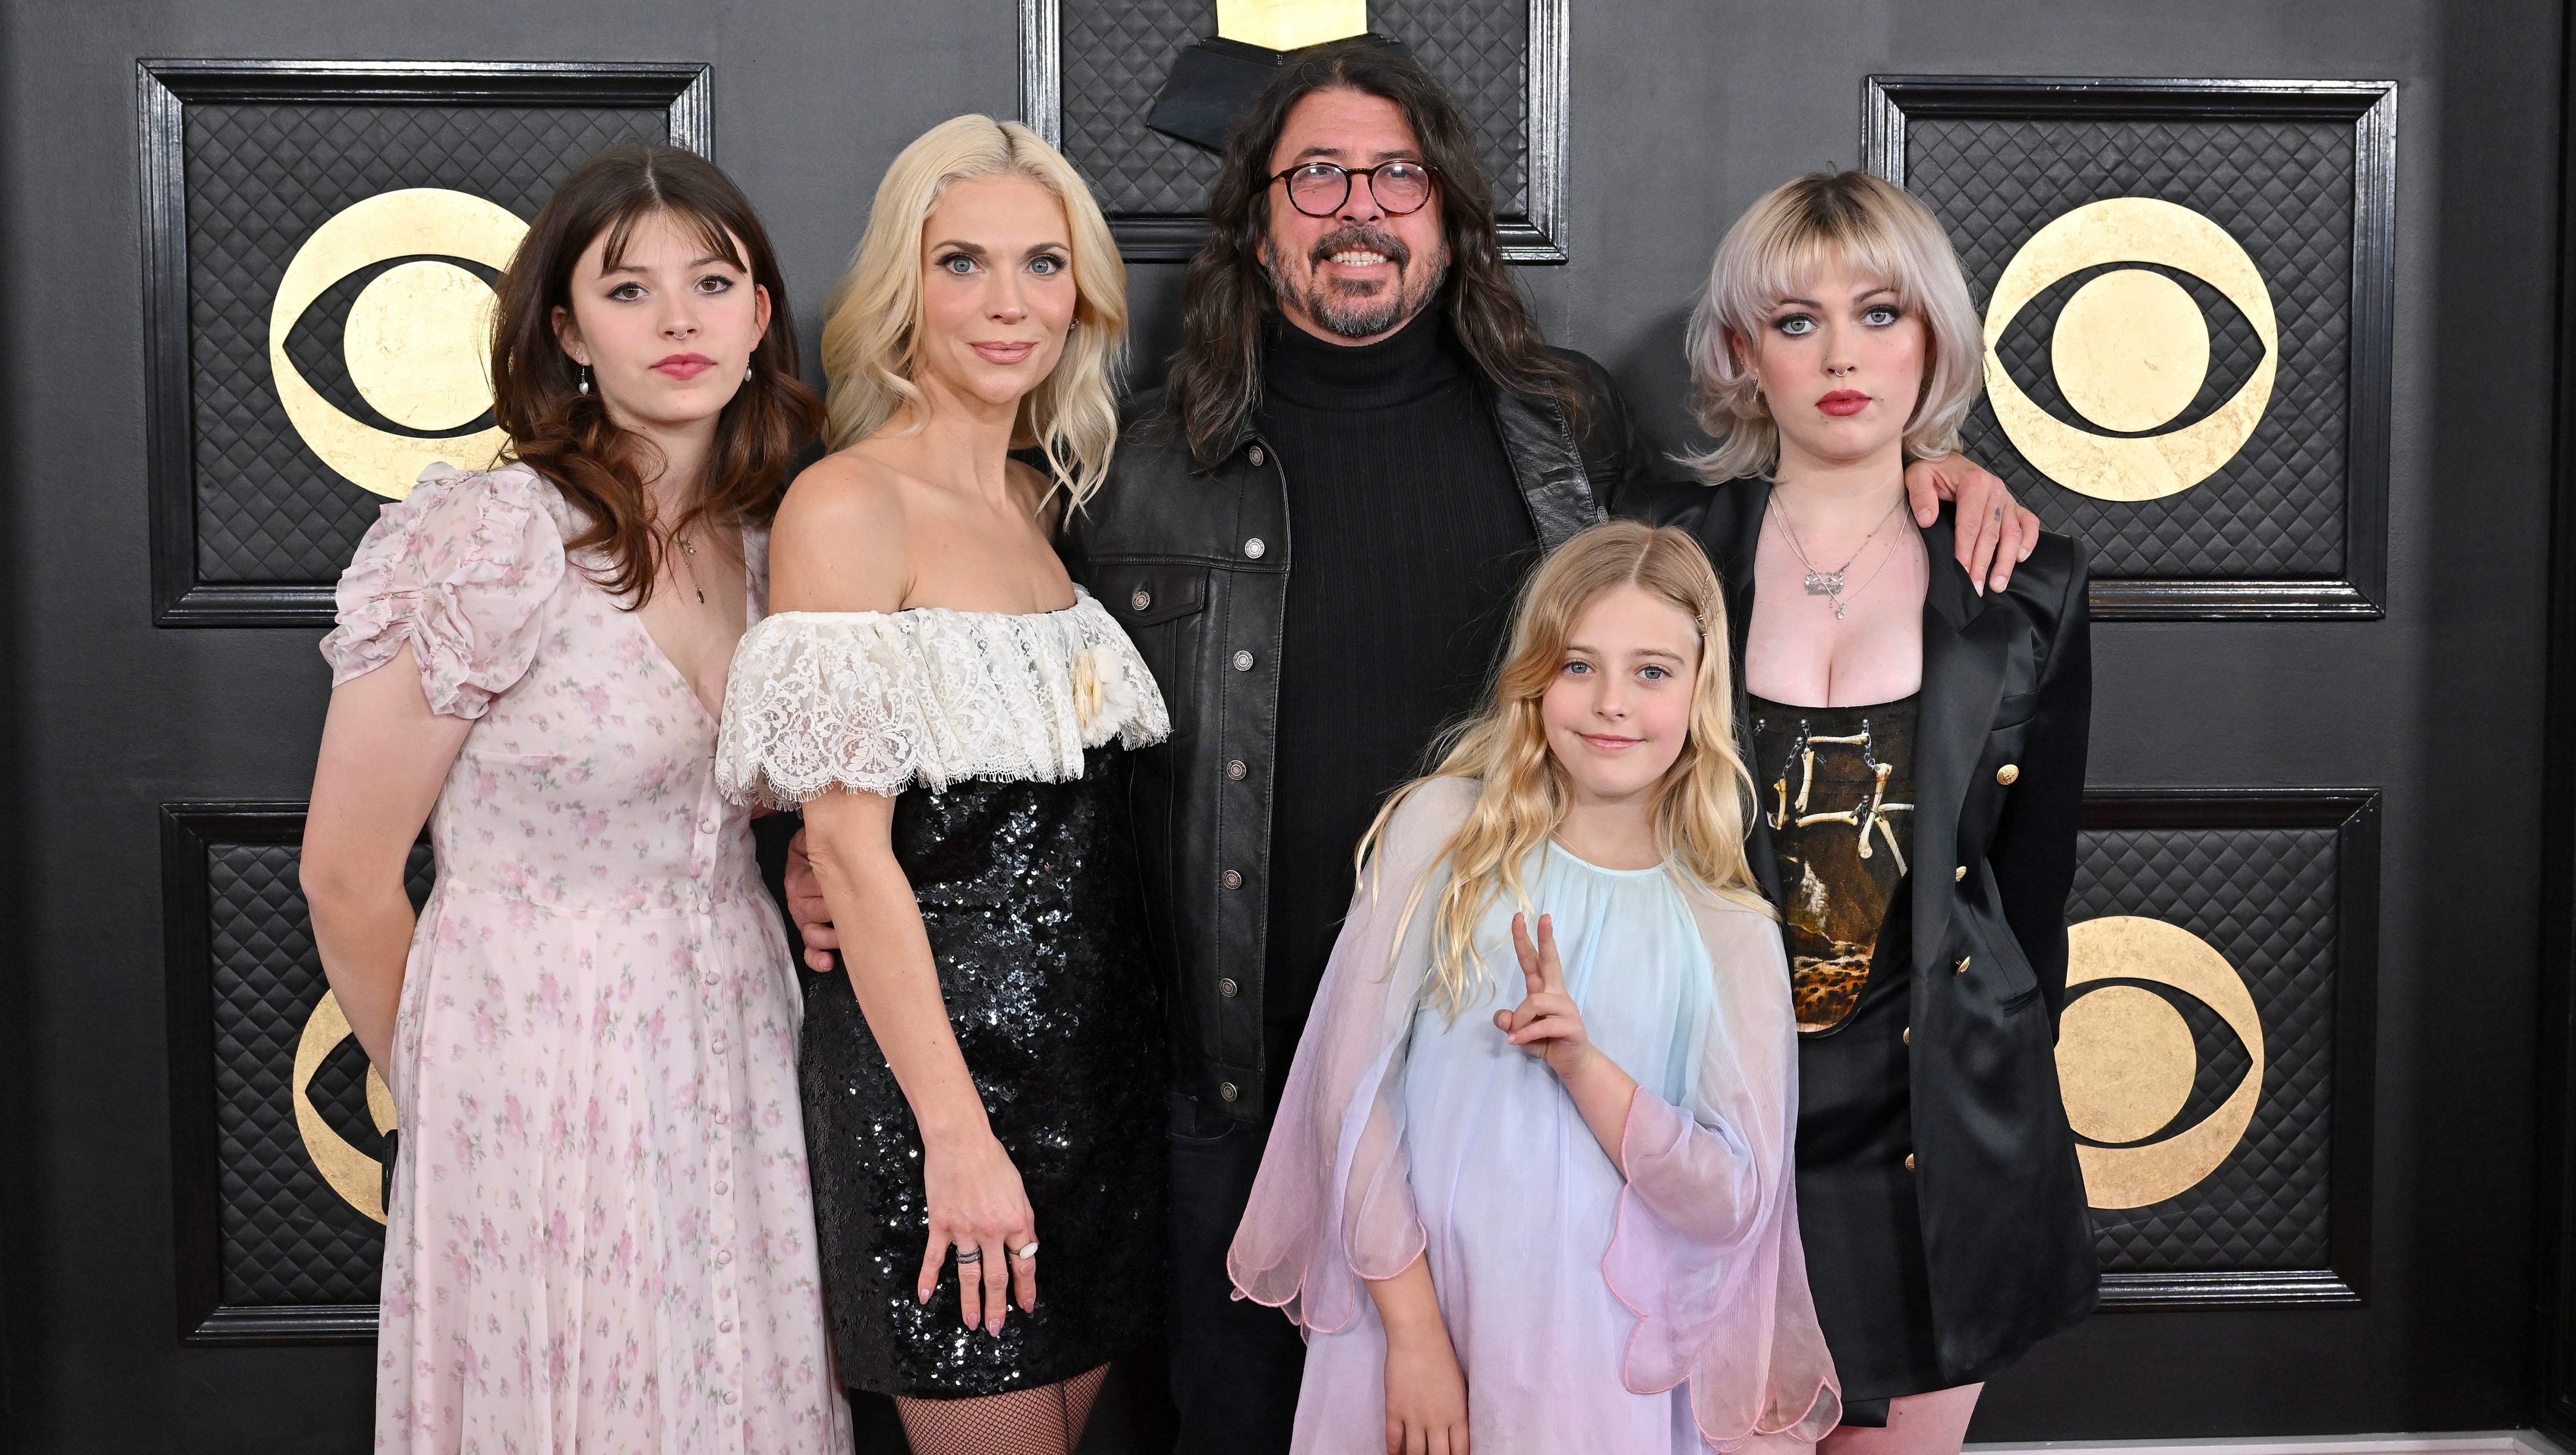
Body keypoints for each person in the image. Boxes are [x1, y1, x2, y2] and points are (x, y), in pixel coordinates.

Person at [792, 39, 2039, 1450]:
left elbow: (1729, 562)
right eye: (1315, 174)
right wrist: (817, 846)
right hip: (1231, 1080)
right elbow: (955, 681)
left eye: (1397, 174)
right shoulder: (1133, 466)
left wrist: (1929, 466)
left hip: (1526, 1071)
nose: (1359, 206)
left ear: (1448, 213)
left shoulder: (1564, 428)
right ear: (1260, 225)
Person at [300, 143, 846, 1450]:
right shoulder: (490, 537)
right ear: (566, 331)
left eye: (713, 283)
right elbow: (346, 872)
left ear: (762, 313)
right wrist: (457, 1086)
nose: (677, 321)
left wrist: (805, 863)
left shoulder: (777, 541)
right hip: (529, 1054)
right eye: (629, 290)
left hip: (734, 1037)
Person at [713, 114, 1167, 1455]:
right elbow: (849, 850)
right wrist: (957, 1138)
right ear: (906, 289)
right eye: (963, 262)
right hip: (939, 1097)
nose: (1008, 302)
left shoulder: (1047, 501)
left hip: (1094, 1086)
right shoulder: (848, 506)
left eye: (1041, 262)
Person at [1635, 171, 2097, 1455]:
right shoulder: (1659, 549)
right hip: (1722, 1111)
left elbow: (2033, 877)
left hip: (1941, 1119)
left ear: (1935, 338)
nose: (1843, 354)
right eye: (1797, 321)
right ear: (1742, 351)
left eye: (1881, 313)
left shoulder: (2030, 577)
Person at [1229, 520, 1842, 1455]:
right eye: (1578, 665)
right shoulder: (1445, 834)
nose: (1610, 705)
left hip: (1592, 1371)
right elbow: (1349, 1098)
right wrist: (1416, 1335)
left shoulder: (1727, 928)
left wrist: (1586, 1067)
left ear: (1699, 690)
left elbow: (1733, 1201)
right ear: (1535, 677)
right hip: (1417, 1329)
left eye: (1651, 672)